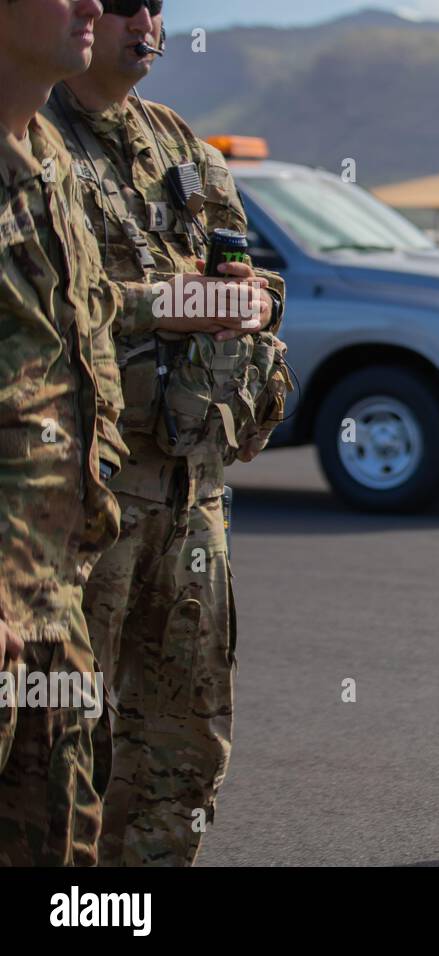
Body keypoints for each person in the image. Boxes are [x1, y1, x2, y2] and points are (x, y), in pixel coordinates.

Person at [40, 0, 290, 865]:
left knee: (184, 741)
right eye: (120, 6)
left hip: (192, 495)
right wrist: (178, 304)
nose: (143, 22)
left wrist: (250, 299)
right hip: (83, 497)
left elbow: (247, 271)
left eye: (156, 6)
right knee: (55, 740)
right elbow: (46, 309)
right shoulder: (31, 139)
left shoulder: (177, 141)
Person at [0, 0, 131, 866]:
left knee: (64, 855)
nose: (94, 3)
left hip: (54, 597)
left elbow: (86, 359)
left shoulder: (52, 164)